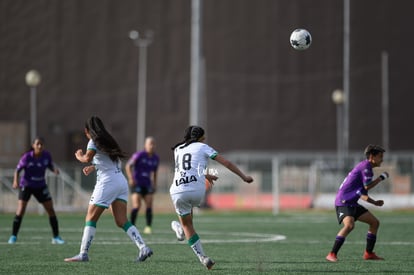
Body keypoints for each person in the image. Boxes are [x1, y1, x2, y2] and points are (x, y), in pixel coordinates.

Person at [64, 116, 152, 262]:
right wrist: (94, 166)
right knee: (121, 220)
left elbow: (86, 158)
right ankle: (143, 247)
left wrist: (79, 156)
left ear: (87, 131)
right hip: (120, 181)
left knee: (90, 217)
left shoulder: (93, 141)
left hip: (108, 182)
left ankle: (83, 253)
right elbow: (108, 161)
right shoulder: (108, 139)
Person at [169, 126, 253, 270]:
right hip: (197, 191)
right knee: (188, 223)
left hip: (178, 190)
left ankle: (202, 256)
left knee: (187, 224)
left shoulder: (178, 149)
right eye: (204, 137)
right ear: (200, 137)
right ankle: (181, 230)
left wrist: (205, 175)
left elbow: (186, 169)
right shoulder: (203, 147)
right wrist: (244, 177)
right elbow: (227, 163)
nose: (205, 139)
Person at [326, 144, 389, 262]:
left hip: (352, 202)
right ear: (372, 156)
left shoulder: (364, 167)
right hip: (343, 202)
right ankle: (332, 254)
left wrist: (374, 202)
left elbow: (362, 194)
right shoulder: (366, 167)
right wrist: (381, 178)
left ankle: (368, 253)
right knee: (349, 225)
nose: (382, 159)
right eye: (380, 156)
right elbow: (367, 186)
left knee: (374, 223)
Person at [8, 137, 64, 244]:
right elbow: (17, 170)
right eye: (37, 144)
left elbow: (50, 166)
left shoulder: (46, 155)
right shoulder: (27, 157)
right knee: (20, 210)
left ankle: (56, 237)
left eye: (41, 144)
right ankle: (13, 236)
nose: (40, 146)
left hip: (40, 186)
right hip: (27, 185)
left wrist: (54, 170)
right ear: (33, 145)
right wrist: (15, 181)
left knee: (51, 210)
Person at [125, 137, 159, 234]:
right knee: (137, 205)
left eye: (153, 144)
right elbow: (128, 166)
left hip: (147, 184)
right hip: (137, 183)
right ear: (145, 145)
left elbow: (155, 172)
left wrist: (155, 184)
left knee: (149, 205)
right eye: (150, 144)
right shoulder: (139, 155)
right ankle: (132, 226)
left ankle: (148, 227)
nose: (152, 146)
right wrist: (131, 178)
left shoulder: (156, 158)